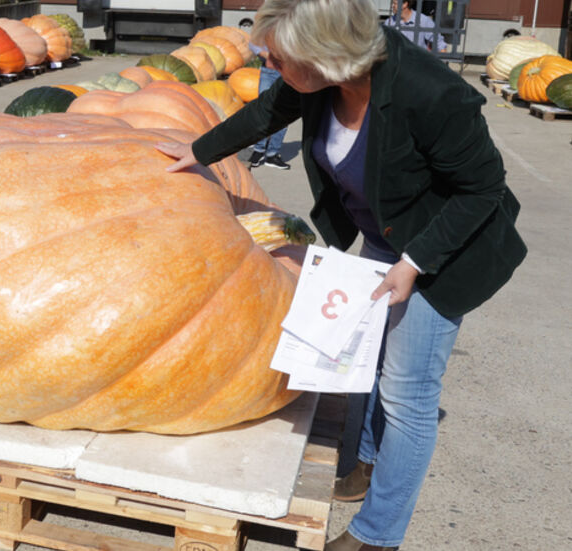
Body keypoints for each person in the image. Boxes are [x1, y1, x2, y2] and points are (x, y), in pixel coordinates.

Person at [156, 0, 526, 549]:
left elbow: (482, 190)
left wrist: (414, 263)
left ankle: (378, 535)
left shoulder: (433, 95)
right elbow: (265, 113)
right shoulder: (318, 81)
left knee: (408, 393)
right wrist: (197, 151)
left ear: (326, 56)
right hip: (385, 235)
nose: (272, 67)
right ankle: (367, 466)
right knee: (369, 360)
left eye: (280, 58)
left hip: (443, 253)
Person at [247, 41, 291, 170]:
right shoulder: (269, 23)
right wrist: (267, 55)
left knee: (284, 113)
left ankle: (272, 154)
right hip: (269, 71)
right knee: (264, 111)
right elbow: (253, 43)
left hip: (288, 72)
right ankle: (259, 150)